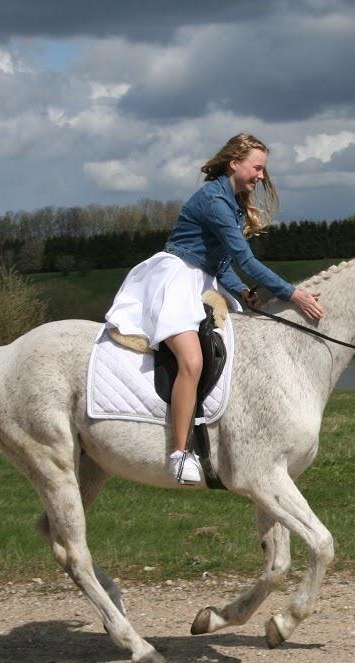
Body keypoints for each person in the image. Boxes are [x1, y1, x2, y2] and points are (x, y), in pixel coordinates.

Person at [105, 133, 324, 484]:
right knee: (191, 361)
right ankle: (179, 454)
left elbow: (221, 264)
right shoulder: (214, 201)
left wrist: (240, 290)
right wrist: (292, 293)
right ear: (234, 163)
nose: (261, 176)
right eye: (257, 168)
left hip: (202, 282)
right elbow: (244, 260)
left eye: (263, 170)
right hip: (176, 280)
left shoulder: (232, 202)